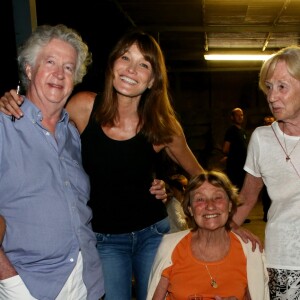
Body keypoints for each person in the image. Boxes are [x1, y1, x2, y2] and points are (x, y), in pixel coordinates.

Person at [0, 28, 204, 299]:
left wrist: (181, 198)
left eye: (144, 64)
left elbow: (200, 177)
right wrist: (12, 100)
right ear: (112, 65)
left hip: (152, 233)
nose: (132, 69)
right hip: (104, 241)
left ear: (153, 79)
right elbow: (42, 123)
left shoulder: (162, 126)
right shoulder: (83, 108)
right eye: (125, 58)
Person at [0, 24, 104, 300]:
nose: (60, 73)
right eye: (50, 62)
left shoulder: (72, 133)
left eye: (69, 67)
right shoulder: (4, 125)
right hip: (27, 284)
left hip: (84, 282)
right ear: (30, 69)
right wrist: (9, 280)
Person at [232, 45, 300, 299]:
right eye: (269, 87)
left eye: (282, 86)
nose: (272, 97)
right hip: (283, 262)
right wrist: (225, 228)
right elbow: (248, 198)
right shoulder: (262, 139)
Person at [147, 170, 269, 300]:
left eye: (218, 197)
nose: (210, 206)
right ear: (190, 209)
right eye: (200, 199)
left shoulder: (250, 251)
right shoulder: (170, 248)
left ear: (230, 205)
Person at [222, 108, 247, 191]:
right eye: (237, 115)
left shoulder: (242, 131)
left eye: (241, 115)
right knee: (235, 189)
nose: (240, 117)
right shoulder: (231, 131)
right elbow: (225, 149)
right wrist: (232, 157)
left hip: (242, 166)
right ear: (232, 117)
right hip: (234, 167)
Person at [260, 116, 275, 222]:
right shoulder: (260, 137)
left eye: (271, 122)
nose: (269, 124)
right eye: (267, 123)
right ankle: (266, 212)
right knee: (266, 192)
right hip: (265, 168)